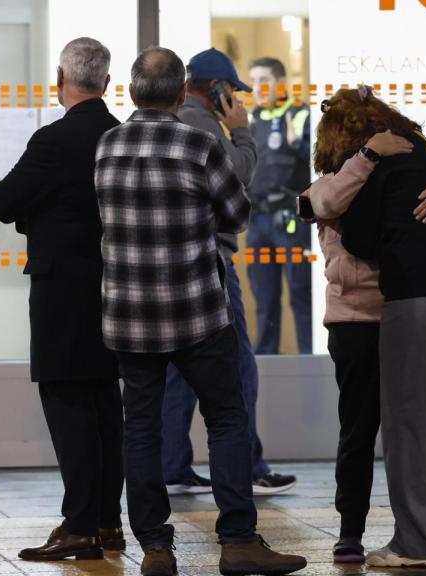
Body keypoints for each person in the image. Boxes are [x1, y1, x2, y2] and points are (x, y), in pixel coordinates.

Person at [94, 46, 307, 576]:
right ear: (181, 90)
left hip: (129, 314)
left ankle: (155, 549)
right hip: (195, 309)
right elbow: (236, 215)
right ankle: (238, 541)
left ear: (131, 91)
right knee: (227, 418)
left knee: (139, 427)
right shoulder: (197, 144)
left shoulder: (107, 146)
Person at [321, 86, 426, 567]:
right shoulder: (423, 156)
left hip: (420, 299)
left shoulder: (368, 169)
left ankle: (417, 543)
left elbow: (355, 236)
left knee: (409, 425)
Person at [0, 37, 125, 562]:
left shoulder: (53, 140)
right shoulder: (120, 135)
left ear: (59, 81)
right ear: (108, 85)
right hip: (116, 288)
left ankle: (79, 525)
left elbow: (1, 203)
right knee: (106, 408)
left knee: (68, 405)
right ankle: (109, 522)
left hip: (62, 292)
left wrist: (34, 217)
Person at [162, 47, 296, 497]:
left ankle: (173, 466)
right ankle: (250, 468)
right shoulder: (202, 124)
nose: (237, 100)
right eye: (231, 91)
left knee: (179, 369)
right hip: (212, 262)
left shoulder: (171, 122)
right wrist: (243, 132)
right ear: (215, 89)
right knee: (239, 365)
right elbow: (238, 182)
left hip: (175, 264)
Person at [245, 57, 312, 355]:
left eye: (264, 81)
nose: (258, 88)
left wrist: (296, 142)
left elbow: (320, 166)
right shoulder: (250, 119)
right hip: (258, 221)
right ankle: (265, 364)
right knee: (264, 298)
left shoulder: (299, 115)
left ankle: (311, 359)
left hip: (291, 220)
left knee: (300, 293)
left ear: (280, 83)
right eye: (253, 82)